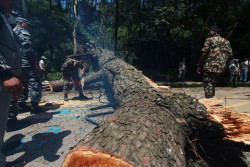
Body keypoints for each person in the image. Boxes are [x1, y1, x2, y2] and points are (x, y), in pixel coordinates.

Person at [0, 0, 22, 166]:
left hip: (6, 75)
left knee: (1, 117)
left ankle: (1, 147)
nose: (14, 2)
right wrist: (5, 72)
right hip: (3, 75)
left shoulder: (2, 16)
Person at [13, 17, 43, 114]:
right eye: (28, 25)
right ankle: (35, 106)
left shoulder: (11, 32)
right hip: (27, 63)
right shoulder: (22, 32)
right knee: (34, 83)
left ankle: (21, 105)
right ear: (21, 23)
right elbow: (28, 48)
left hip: (16, 64)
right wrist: (35, 63)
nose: (29, 28)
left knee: (22, 84)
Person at [197, 26, 233, 98]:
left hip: (209, 66)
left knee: (208, 83)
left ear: (214, 32)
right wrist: (224, 64)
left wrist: (200, 65)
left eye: (210, 31)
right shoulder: (226, 41)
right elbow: (231, 55)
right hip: (220, 68)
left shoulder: (209, 40)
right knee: (213, 83)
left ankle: (209, 100)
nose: (208, 33)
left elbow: (204, 53)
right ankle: (212, 99)